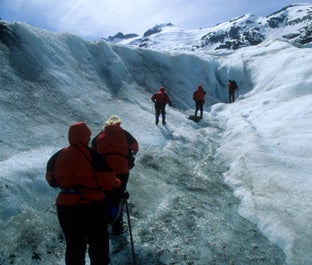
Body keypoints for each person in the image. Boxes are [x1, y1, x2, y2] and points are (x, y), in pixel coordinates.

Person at [46, 122, 121, 265]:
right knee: (98, 244)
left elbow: (52, 181)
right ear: (86, 137)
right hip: (92, 206)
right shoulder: (93, 155)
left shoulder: (58, 156)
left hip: (66, 207)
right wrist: (116, 183)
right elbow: (108, 182)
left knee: (74, 246)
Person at [92, 115, 139, 235]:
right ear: (119, 124)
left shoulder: (100, 136)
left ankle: (105, 219)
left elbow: (92, 151)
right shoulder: (125, 134)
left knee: (105, 194)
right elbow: (135, 147)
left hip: (104, 169)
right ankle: (117, 224)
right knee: (118, 196)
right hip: (122, 169)